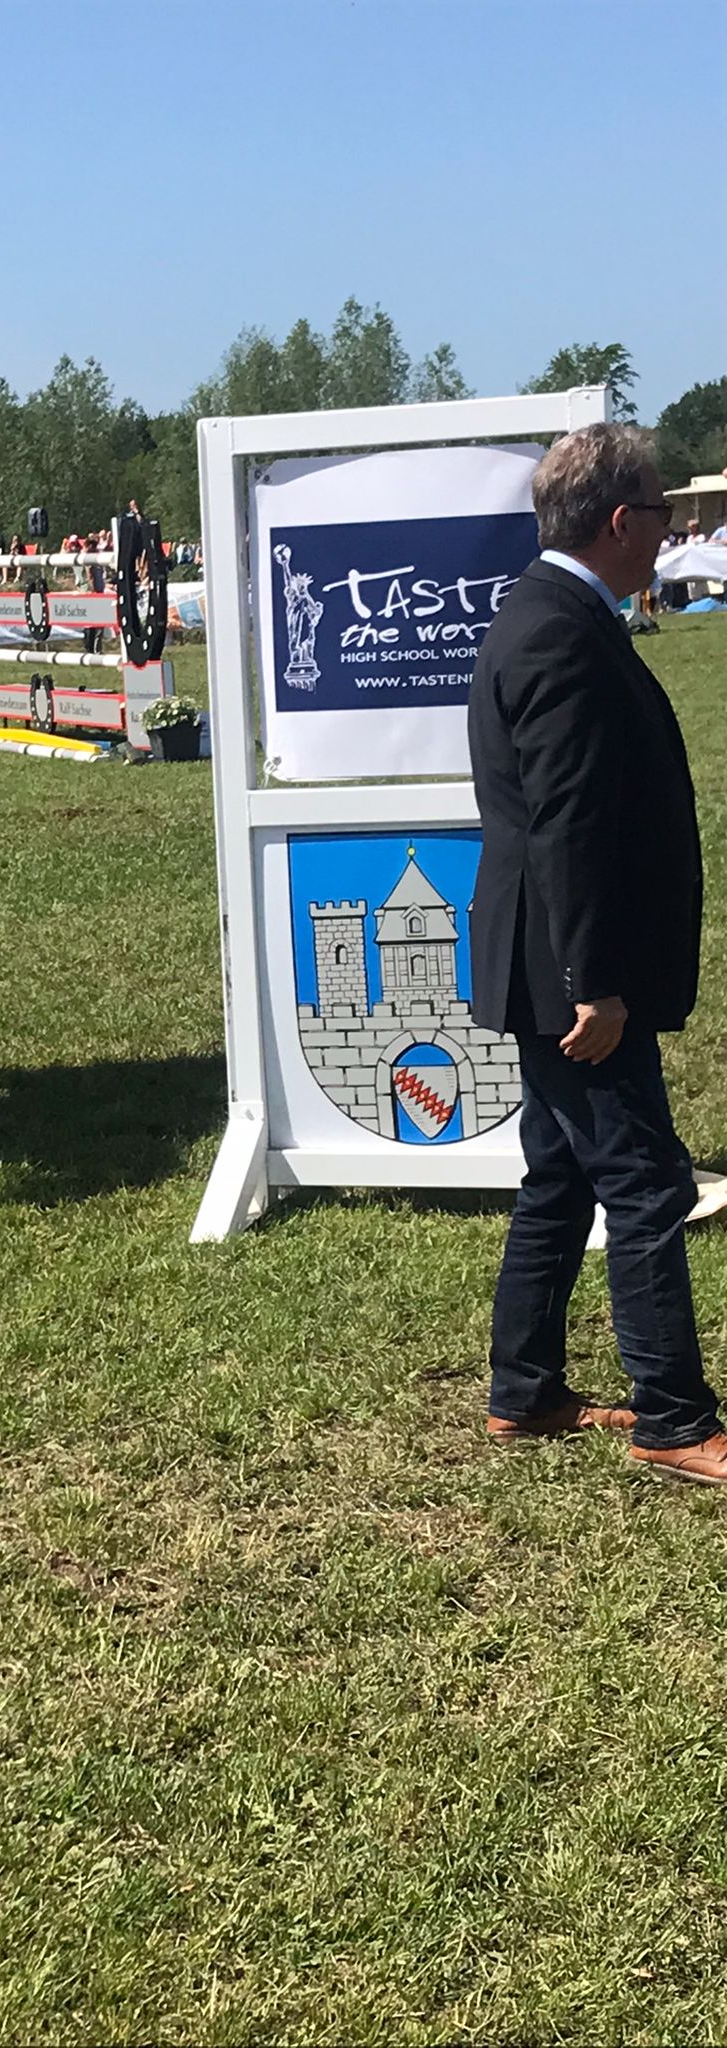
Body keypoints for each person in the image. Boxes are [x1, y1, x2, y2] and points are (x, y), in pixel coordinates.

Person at [468, 422, 725, 1484]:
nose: (670, 529)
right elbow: (567, 823)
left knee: (563, 1176)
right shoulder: (562, 633)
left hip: (550, 961)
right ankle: (675, 1417)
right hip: (570, 971)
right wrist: (594, 983)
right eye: (662, 511)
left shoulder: (550, 614)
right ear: (624, 522)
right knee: (645, 1183)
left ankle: (524, 1390)